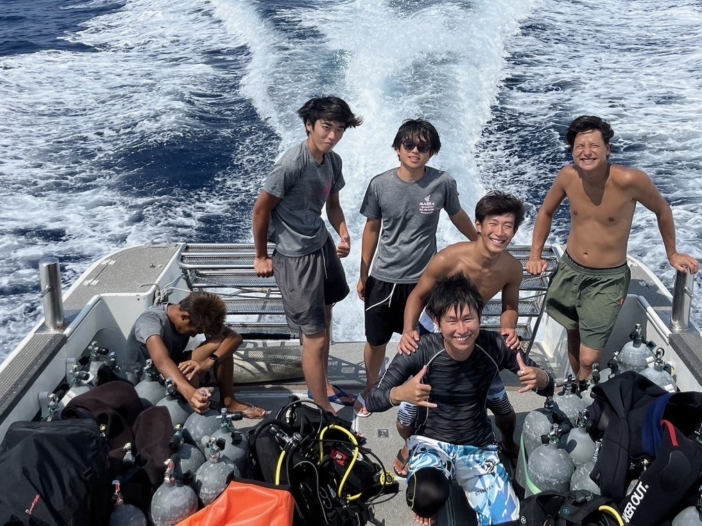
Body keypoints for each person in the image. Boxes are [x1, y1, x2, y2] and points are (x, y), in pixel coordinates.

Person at [364, 274, 554, 526]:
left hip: (478, 446)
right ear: (437, 321)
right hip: (431, 443)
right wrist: (399, 394)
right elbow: (372, 400)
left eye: (468, 318)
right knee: (426, 496)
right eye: (451, 321)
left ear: (480, 315)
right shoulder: (420, 349)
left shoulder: (497, 346)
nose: (462, 330)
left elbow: (549, 387)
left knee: (507, 522)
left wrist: (541, 378)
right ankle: (427, 502)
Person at [527, 115, 699, 384]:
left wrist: (672, 253)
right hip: (570, 270)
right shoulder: (568, 176)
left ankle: (583, 389)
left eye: (594, 145)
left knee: (589, 358)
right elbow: (546, 212)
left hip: (607, 280)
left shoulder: (631, 180)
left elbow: (662, 210)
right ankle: (579, 390)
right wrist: (535, 255)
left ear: (607, 149)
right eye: (580, 146)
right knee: (573, 333)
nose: (586, 152)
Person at [393, 191, 526, 475]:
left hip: (469, 332)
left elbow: (510, 306)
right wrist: (407, 331)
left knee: (501, 403)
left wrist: (508, 328)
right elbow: (417, 296)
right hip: (431, 331)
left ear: (514, 231)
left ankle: (508, 442)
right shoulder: (449, 258)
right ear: (478, 225)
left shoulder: (512, 268)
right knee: (409, 408)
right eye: (493, 223)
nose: (500, 232)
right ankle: (409, 444)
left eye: (508, 225)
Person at [354, 119, 478, 417]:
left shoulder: (443, 183)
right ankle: (371, 388)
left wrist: (480, 242)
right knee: (376, 341)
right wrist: (363, 275)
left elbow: (457, 215)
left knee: (422, 342)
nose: (415, 151)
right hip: (384, 279)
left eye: (423, 147)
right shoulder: (380, 185)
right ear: (397, 148)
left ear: (432, 152)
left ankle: (420, 388)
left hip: (425, 281)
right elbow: (372, 229)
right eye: (408, 145)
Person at [251, 96, 362, 414]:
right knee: (314, 337)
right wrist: (261, 256)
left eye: (339, 129)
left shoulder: (333, 162)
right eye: (326, 127)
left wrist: (343, 233)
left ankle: (324, 384)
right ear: (309, 125)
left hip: (321, 245)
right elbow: (260, 211)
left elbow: (333, 205)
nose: (333, 135)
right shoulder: (291, 164)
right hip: (295, 258)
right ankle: (323, 408)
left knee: (326, 318)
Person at [120, 291, 266, 418]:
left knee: (221, 342)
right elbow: (162, 360)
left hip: (174, 366)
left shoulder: (191, 313)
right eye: (196, 331)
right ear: (185, 317)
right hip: (147, 382)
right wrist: (190, 393)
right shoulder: (150, 322)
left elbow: (235, 338)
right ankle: (190, 396)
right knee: (192, 379)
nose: (195, 335)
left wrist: (209, 362)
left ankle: (229, 402)